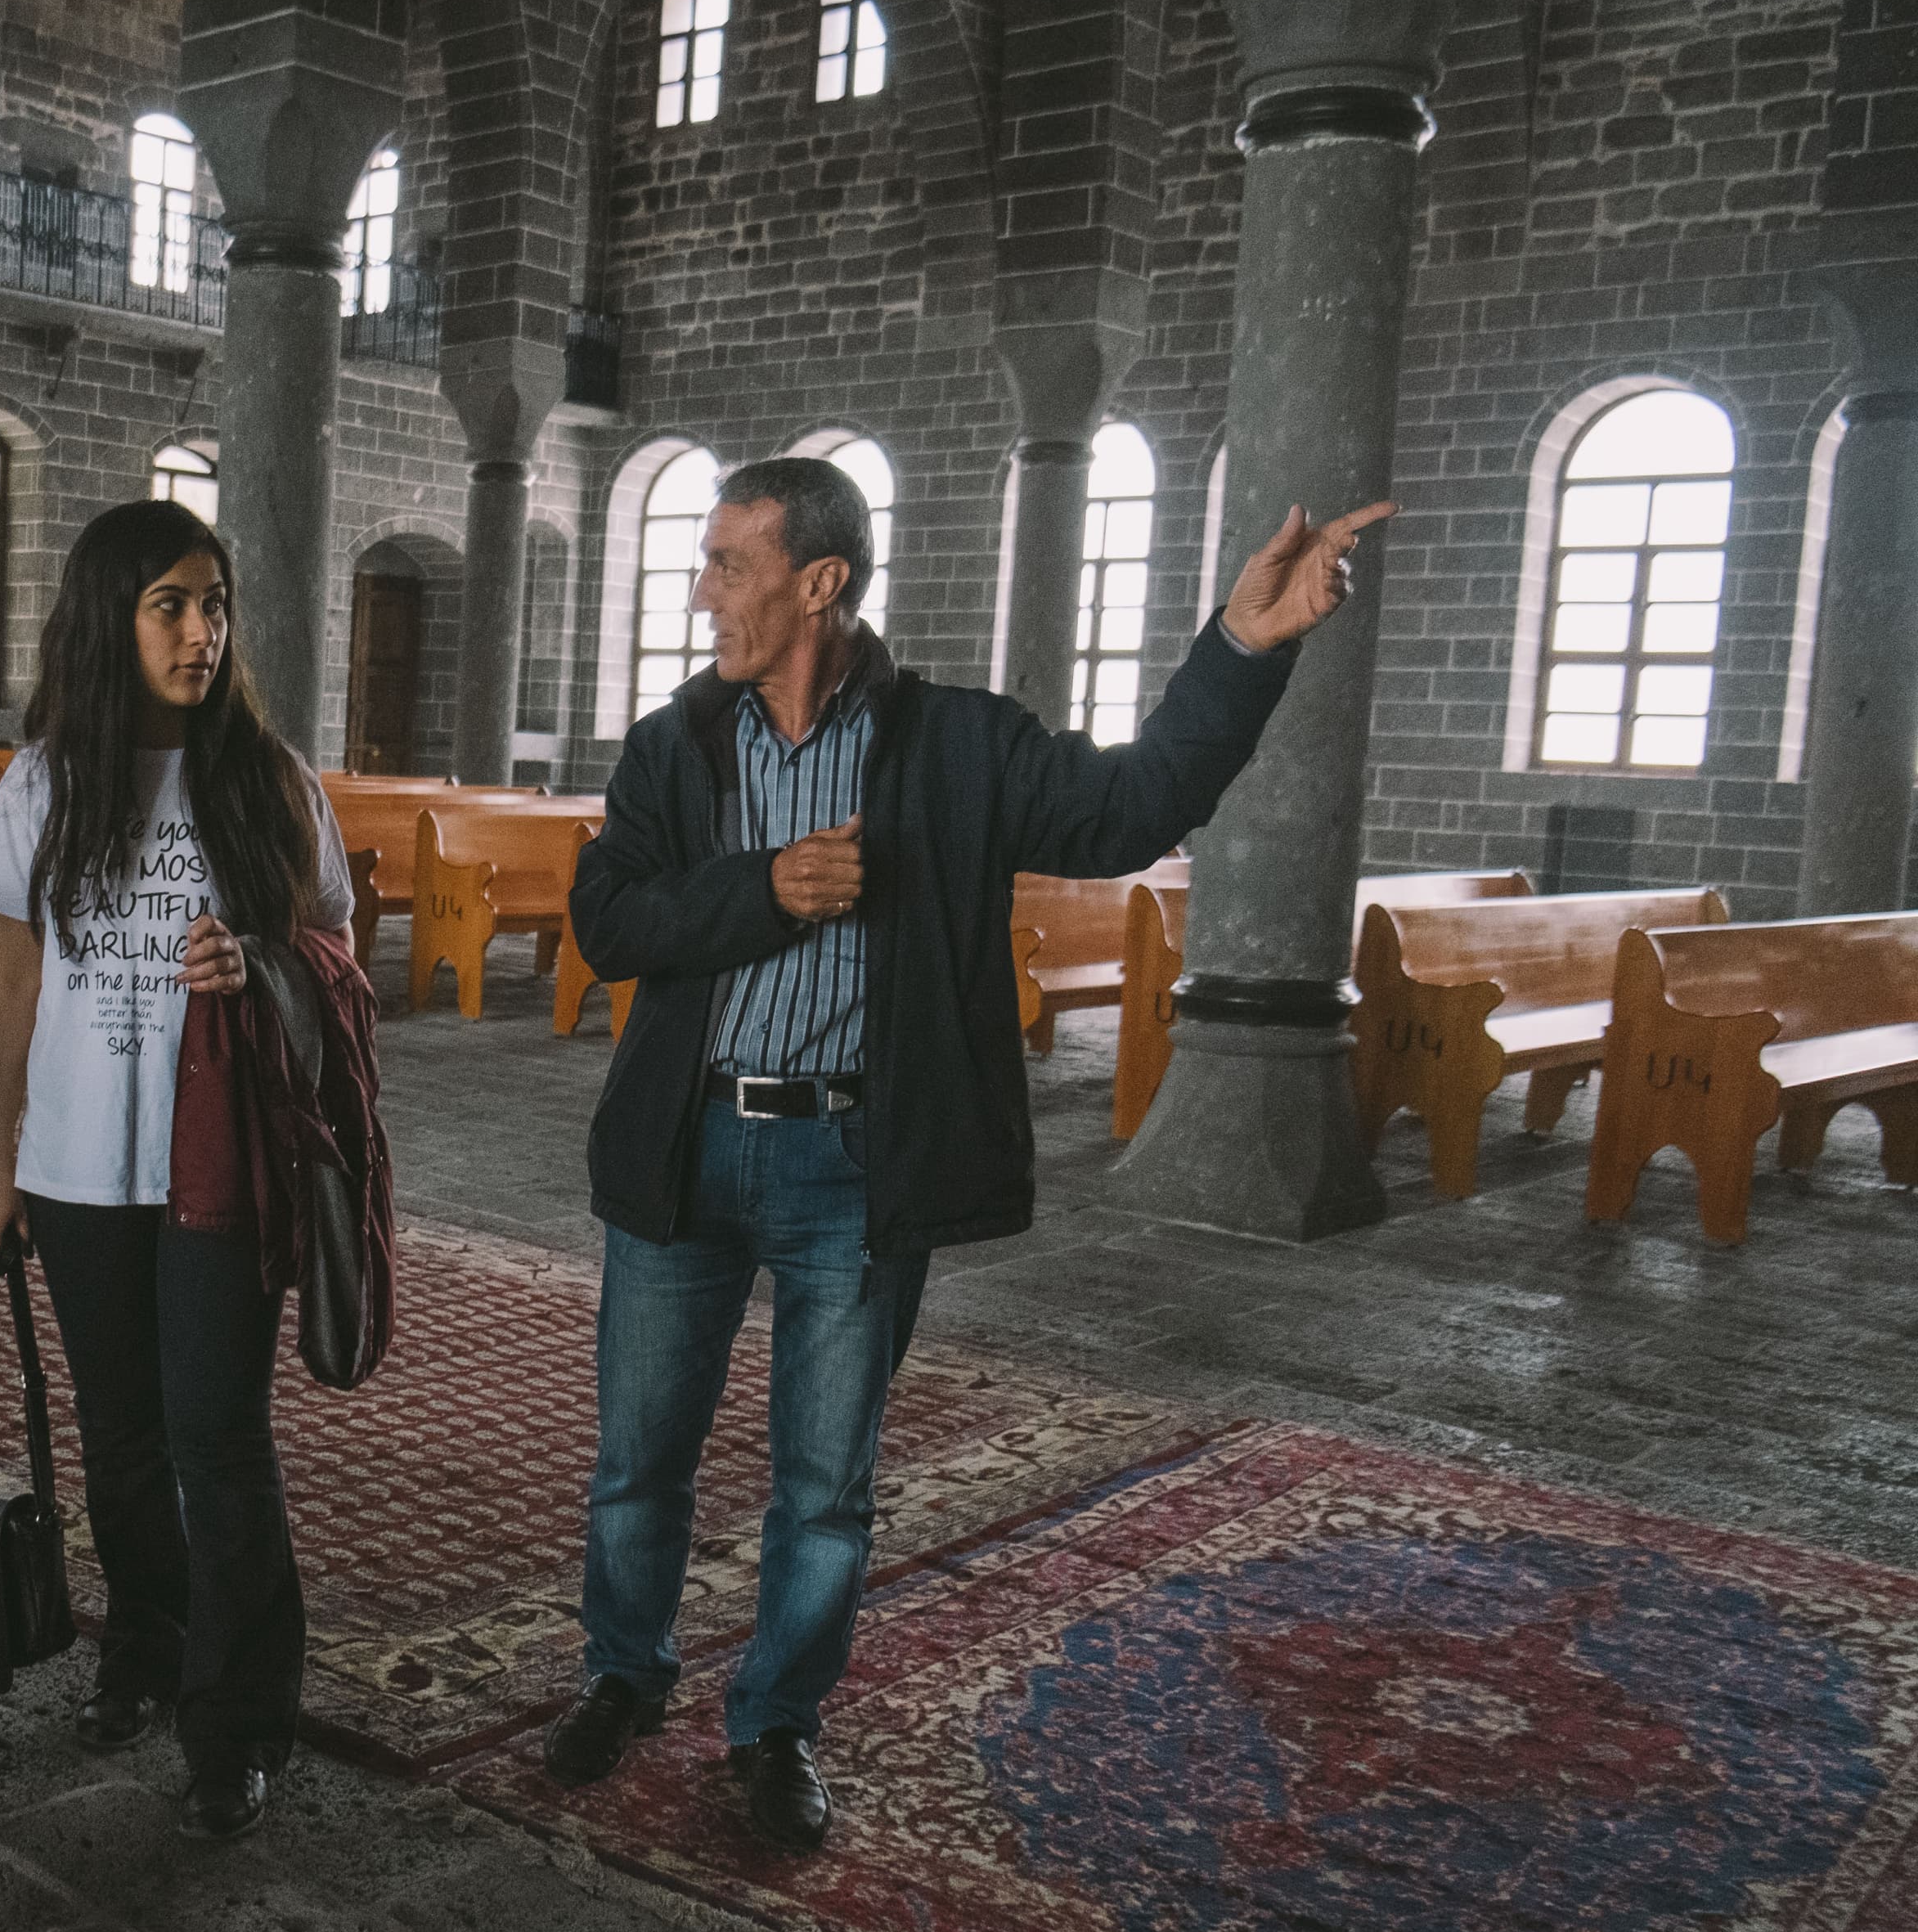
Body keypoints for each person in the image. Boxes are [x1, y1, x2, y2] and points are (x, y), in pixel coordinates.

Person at [548, 455, 1393, 1852]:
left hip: (853, 1164)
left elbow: (1131, 811)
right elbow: (610, 923)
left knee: (826, 1486)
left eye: (727, 565)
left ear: (818, 582)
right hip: (686, 1151)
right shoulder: (675, 745)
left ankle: (775, 1725)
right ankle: (622, 1676)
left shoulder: (958, 743)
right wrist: (767, 889)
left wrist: (1242, 648)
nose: (702, 594)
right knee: (639, 1458)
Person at [0, 499, 358, 1841]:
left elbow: (338, 959)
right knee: (122, 1436)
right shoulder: (43, 784)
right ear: (109, 619)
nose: (204, 633)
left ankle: (239, 1722)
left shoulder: (269, 780)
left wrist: (257, 962)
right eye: (171, 607)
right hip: (78, 1164)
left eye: (215, 606)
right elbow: (8, 981)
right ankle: (144, 1643)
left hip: (218, 1167)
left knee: (218, 1436)